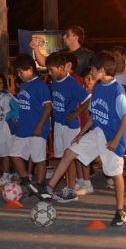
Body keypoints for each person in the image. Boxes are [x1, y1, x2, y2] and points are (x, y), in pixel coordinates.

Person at [36, 52, 126, 227]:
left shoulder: (117, 90)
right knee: (69, 152)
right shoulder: (98, 87)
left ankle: (120, 211)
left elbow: (125, 117)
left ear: (101, 70)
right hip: (97, 133)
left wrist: (116, 139)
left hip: (112, 137)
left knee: (116, 175)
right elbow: (94, 116)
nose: (91, 72)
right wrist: (81, 133)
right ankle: (48, 188)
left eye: (93, 69)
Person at [46, 51, 90, 202]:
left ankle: (71, 190)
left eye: (52, 70)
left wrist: (77, 112)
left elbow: (88, 99)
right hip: (58, 124)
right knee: (60, 156)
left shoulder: (72, 83)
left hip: (70, 126)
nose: (49, 73)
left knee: (69, 157)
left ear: (63, 68)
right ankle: (65, 186)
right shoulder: (53, 82)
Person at [10, 55, 52, 197]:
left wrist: (39, 126)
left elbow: (47, 108)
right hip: (23, 128)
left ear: (29, 70)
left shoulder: (41, 86)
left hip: (37, 130)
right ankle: (26, 181)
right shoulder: (23, 85)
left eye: (21, 72)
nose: (19, 75)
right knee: (14, 154)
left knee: (39, 159)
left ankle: (40, 186)